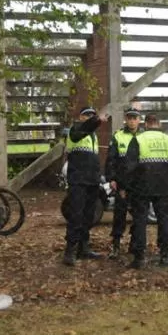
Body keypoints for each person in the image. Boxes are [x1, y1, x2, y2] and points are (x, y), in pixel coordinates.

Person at [121, 114, 168, 269]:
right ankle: (164, 255)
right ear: (159, 124)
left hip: (142, 186)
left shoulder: (138, 139)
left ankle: (139, 257)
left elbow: (129, 166)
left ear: (145, 124)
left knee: (140, 220)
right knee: (164, 220)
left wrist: (127, 186)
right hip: (163, 186)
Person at [63, 106, 108, 266]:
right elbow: (81, 131)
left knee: (89, 216)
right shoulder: (75, 130)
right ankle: (70, 250)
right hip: (78, 181)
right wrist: (96, 120)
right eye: (86, 115)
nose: (89, 117)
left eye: (92, 115)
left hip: (92, 181)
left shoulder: (93, 136)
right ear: (81, 117)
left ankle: (84, 247)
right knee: (76, 215)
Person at [104, 107, 142, 259]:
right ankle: (116, 245)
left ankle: (135, 242)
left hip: (139, 183)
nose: (132, 121)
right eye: (129, 118)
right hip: (122, 182)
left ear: (139, 120)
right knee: (119, 214)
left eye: (135, 118)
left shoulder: (144, 136)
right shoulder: (118, 136)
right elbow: (111, 159)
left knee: (139, 214)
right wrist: (111, 178)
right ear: (125, 119)